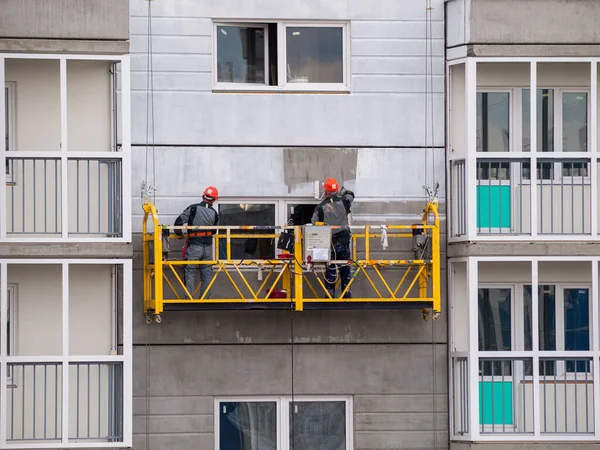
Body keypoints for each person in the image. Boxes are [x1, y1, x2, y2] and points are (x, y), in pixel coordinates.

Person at [311, 178, 355, 298]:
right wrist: (341, 190)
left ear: (325, 191)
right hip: (344, 239)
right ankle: (346, 294)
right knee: (345, 266)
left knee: (330, 267)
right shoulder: (344, 201)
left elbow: (314, 222)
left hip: (330, 241)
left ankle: (329, 295)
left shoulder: (321, 207)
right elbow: (351, 194)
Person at [174, 186, 219, 299]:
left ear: (203, 196)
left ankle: (189, 297)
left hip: (194, 245)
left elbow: (178, 222)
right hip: (208, 247)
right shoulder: (214, 213)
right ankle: (205, 298)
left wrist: (179, 234)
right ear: (214, 200)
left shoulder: (193, 208)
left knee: (189, 270)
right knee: (206, 272)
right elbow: (214, 231)